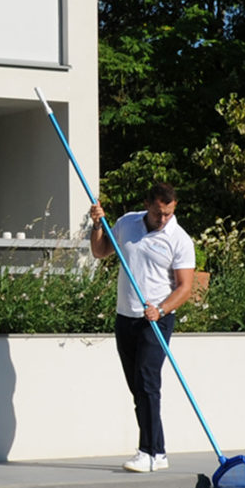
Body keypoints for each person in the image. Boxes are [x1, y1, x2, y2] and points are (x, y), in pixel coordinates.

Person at [90, 182, 195, 473]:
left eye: (169, 213)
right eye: (159, 213)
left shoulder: (179, 239)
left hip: (157, 319)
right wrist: (97, 224)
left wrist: (160, 308)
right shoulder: (126, 223)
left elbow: (185, 288)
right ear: (148, 204)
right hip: (126, 316)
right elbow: (100, 251)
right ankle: (158, 452)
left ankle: (148, 451)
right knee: (138, 387)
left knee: (148, 382)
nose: (163, 220)